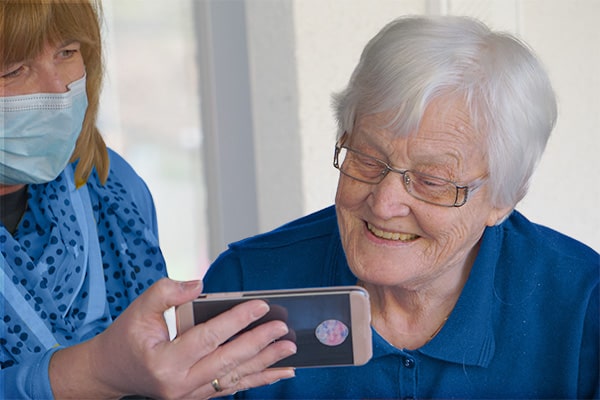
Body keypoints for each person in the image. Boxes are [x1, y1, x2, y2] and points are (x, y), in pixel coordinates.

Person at [202, 15, 600, 399]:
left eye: (432, 181)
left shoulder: (582, 304)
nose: (384, 202)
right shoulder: (248, 284)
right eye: (368, 160)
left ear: (503, 200)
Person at [0, 1, 296, 399]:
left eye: (67, 53)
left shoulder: (109, 184)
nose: (58, 89)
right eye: (14, 69)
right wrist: (95, 372)